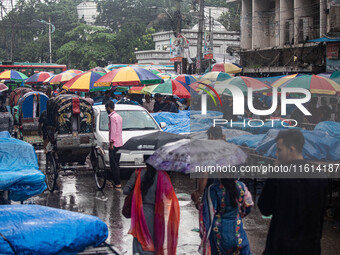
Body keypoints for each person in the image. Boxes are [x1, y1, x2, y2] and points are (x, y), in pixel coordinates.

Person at [258, 129, 328, 255]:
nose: (276, 154)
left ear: (291, 149)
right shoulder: (320, 175)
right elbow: (321, 214)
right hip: (310, 246)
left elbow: (265, 208)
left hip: (281, 247)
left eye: (279, 150)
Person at [123, 161, 180, 254]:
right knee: (156, 245)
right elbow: (169, 196)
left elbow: (125, 191)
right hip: (159, 217)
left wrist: (137, 186)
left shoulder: (138, 173)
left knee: (141, 245)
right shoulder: (163, 176)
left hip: (141, 215)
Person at [199, 178, 253, 254]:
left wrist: (203, 235)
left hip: (219, 234)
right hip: (237, 232)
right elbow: (248, 205)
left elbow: (207, 214)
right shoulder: (242, 186)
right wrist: (238, 215)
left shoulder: (213, 189)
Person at [105, 101, 123, 189]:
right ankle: (117, 182)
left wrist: (111, 143)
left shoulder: (112, 117)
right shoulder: (119, 116)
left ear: (108, 108)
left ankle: (117, 183)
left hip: (114, 144)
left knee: (113, 165)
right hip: (119, 143)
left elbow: (113, 130)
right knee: (117, 163)